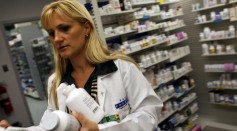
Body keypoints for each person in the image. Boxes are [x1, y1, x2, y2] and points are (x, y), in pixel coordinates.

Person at [0, 0, 163, 130]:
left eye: (64, 28)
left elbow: (149, 115)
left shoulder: (121, 69)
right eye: (51, 33)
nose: (57, 38)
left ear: (86, 28)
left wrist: (101, 130)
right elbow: (47, 127)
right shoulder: (55, 83)